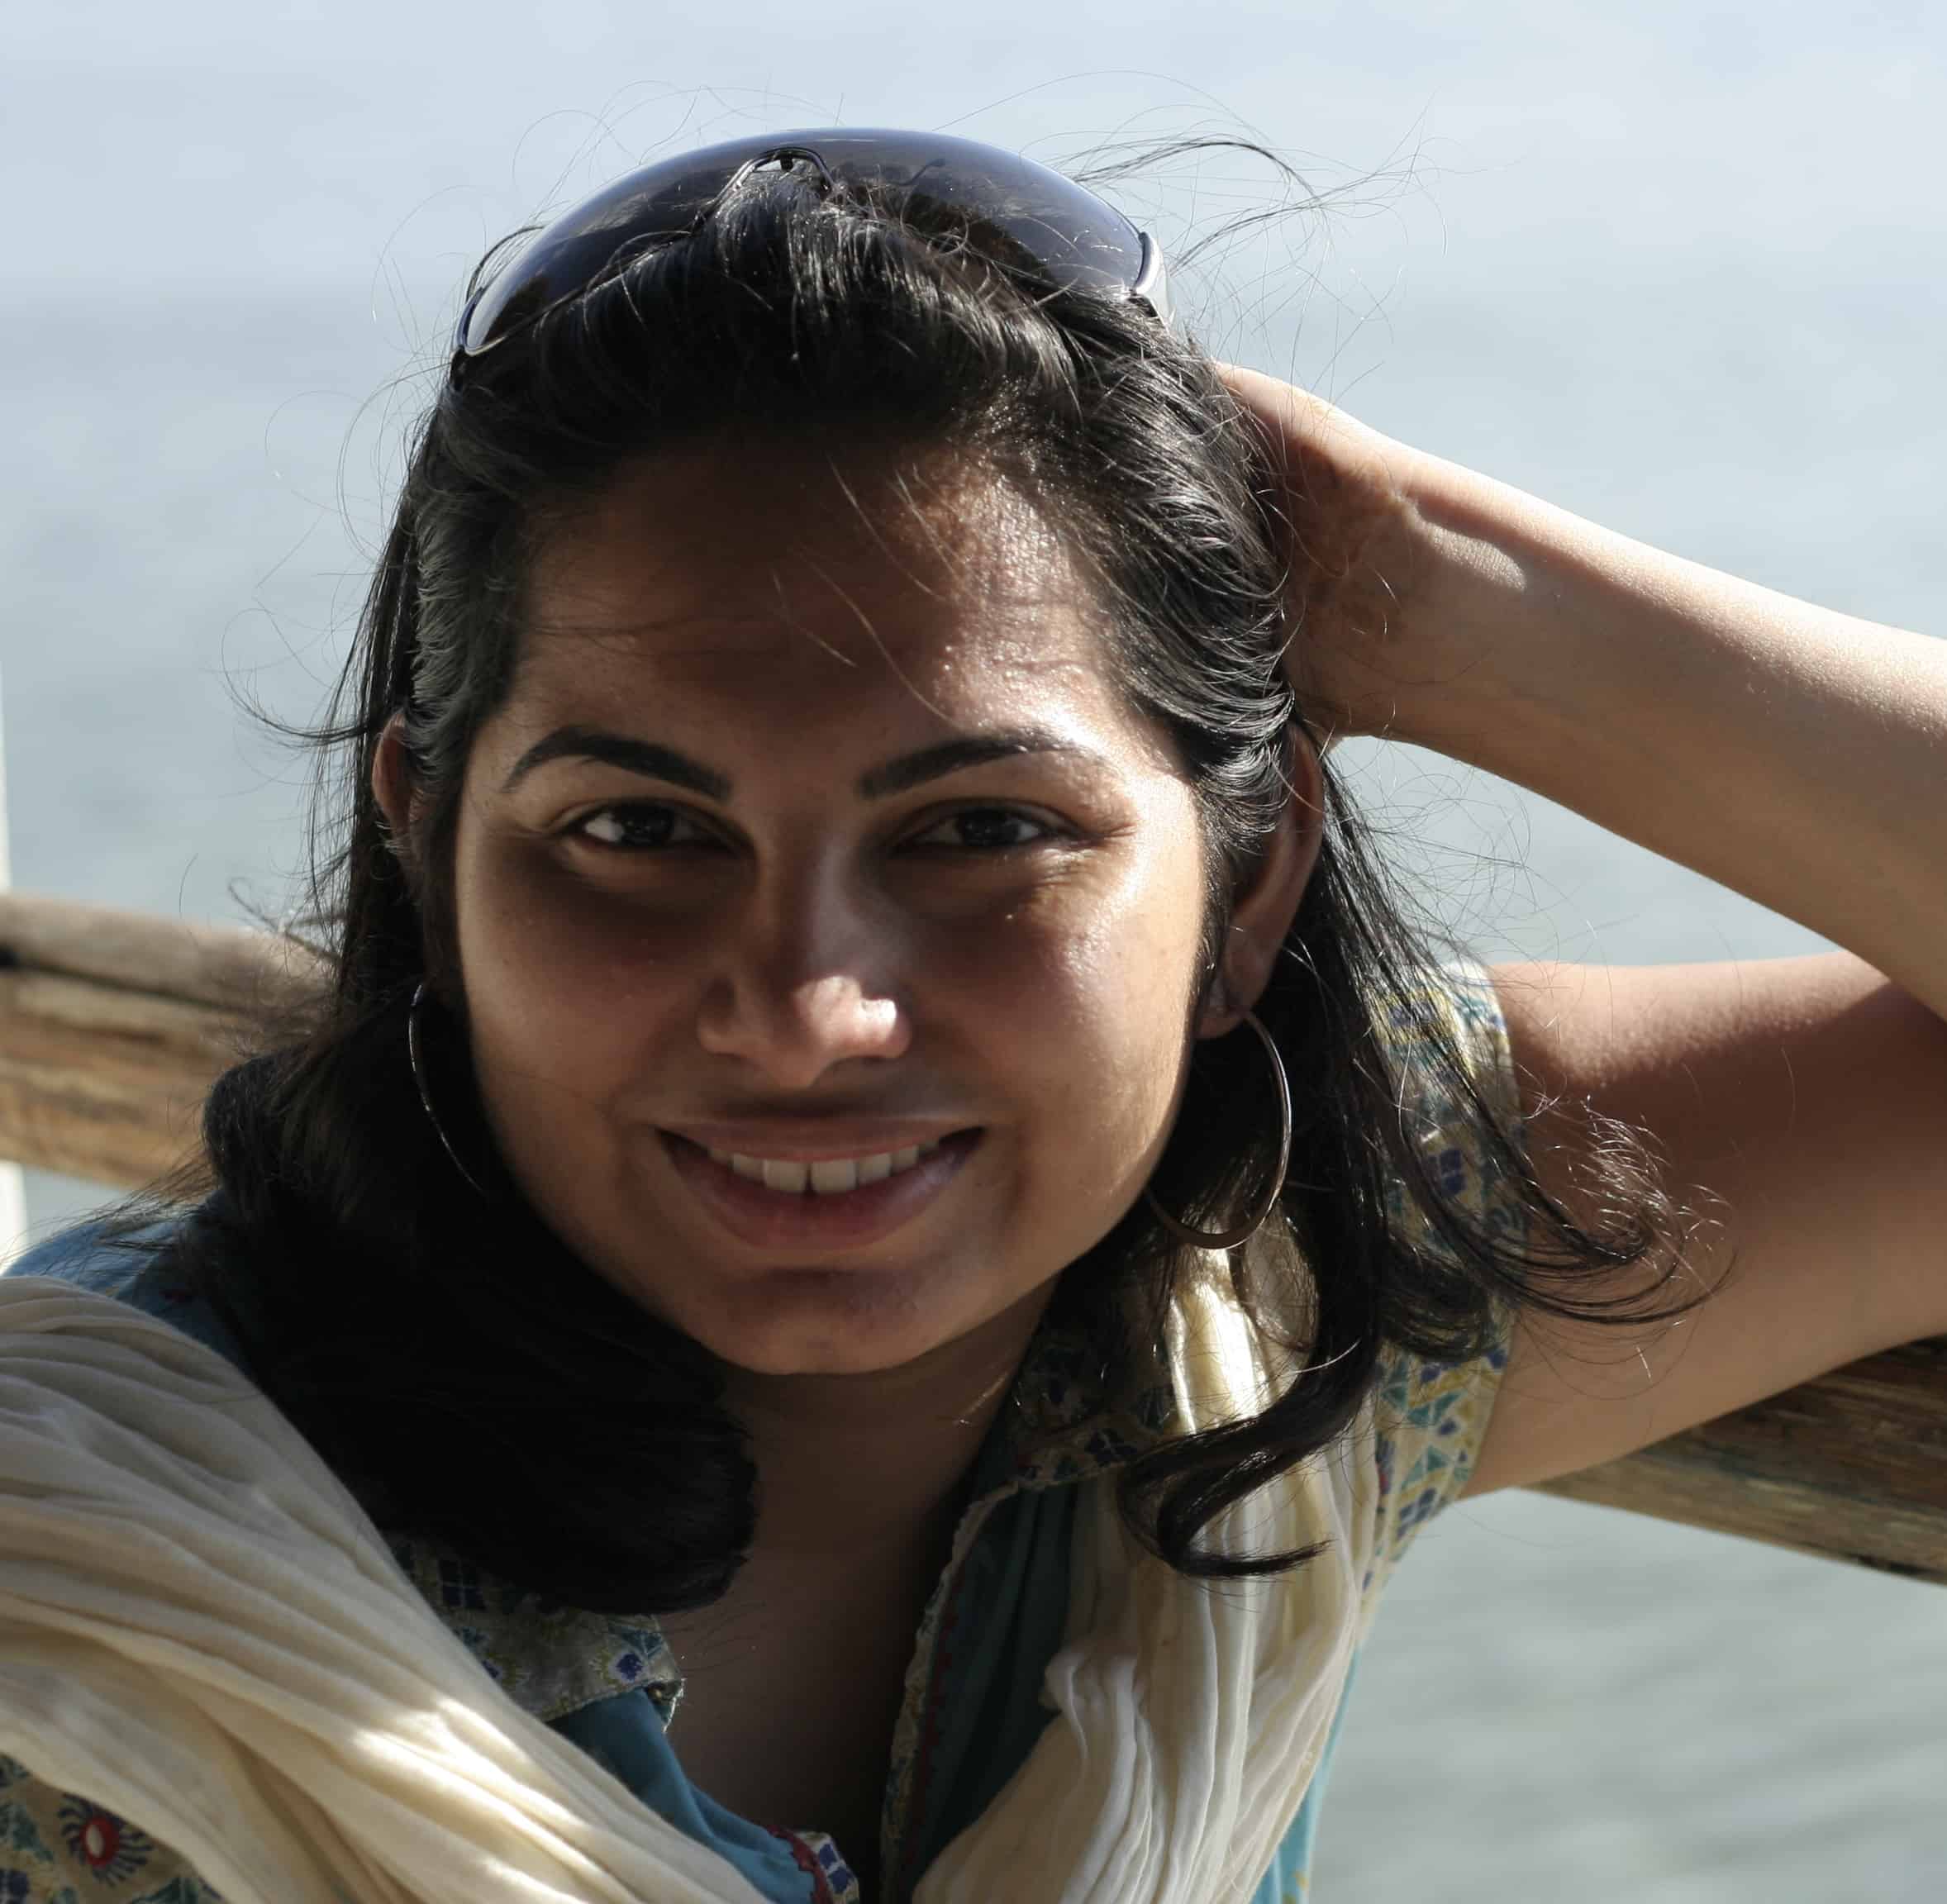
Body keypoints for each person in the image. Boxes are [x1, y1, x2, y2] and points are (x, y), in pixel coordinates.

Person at [2, 128, 1943, 1904]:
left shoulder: (1264, 1311)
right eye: (638, 832)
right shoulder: (82, 1625)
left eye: (981, 830)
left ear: (1248, 883)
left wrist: (1415, 578)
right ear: (428, 855)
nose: (805, 1013)